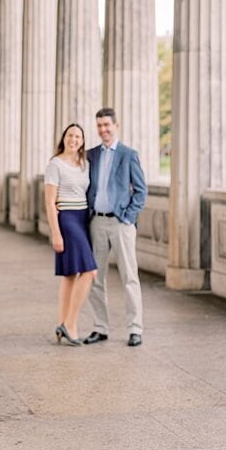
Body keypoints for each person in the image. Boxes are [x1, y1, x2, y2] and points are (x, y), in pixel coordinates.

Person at [85, 108, 148, 347]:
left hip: (121, 223)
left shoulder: (128, 154)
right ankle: (100, 327)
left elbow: (141, 190)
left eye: (107, 125)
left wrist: (128, 217)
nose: (103, 130)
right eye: (99, 125)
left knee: (129, 277)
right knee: (95, 278)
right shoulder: (91, 155)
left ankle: (135, 329)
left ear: (116, 126)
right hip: (97, 222)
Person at [44, 123, 97, 345]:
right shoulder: (55, 164)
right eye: (70, 135)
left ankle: (61, 323)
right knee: (90, 272)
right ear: (64, 138)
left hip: (83, 217)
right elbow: (49, 202)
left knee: (70, 274)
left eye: (78, 136)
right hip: (67, 219)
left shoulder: (84, 164)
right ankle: (71, 324)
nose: (73, 139)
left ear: (82, 141)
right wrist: (56, 233)